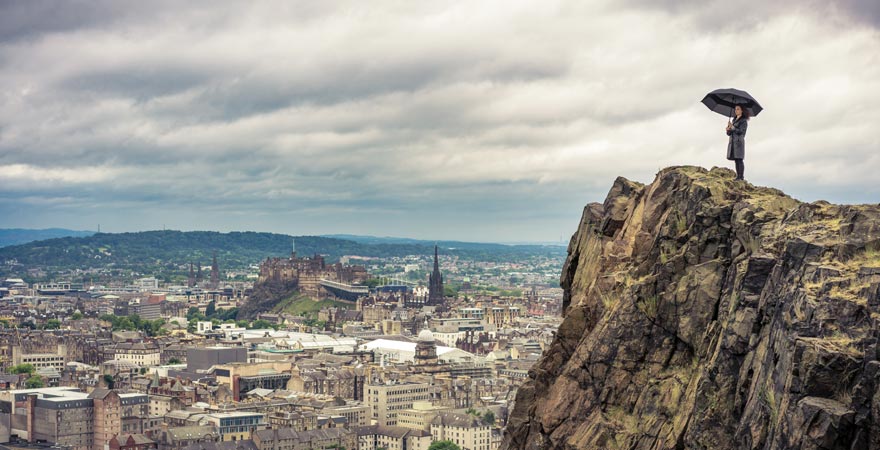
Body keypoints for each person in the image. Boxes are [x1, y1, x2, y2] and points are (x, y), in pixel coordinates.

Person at [726, 105, 749, 180]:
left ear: (742, 110)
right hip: (733, 142)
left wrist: (732, 127)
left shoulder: (743, 121)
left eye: (738, 109)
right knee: (736, 159)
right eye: (735, 109)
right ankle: (738, 176)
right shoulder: (734, 120)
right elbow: (729, 133)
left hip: (739, 142)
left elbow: (741, 132)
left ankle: (741, 177)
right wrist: (728, 129)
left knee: (739, 159)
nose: (736, 111)